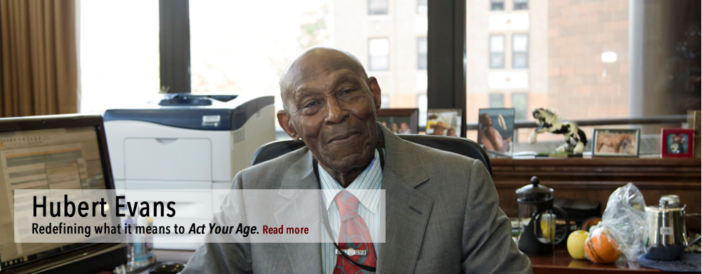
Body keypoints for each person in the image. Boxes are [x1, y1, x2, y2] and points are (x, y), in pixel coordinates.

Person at [181, 47, 531, 273]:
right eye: (311, 104)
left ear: (373, 95)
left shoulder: (460, 183)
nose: (335, 114)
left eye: (347, 92)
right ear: (290, 126)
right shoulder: (253, 192)